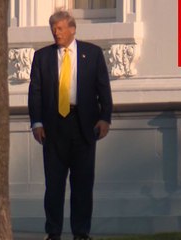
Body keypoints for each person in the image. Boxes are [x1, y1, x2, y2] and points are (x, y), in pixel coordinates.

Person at [28, 10, 113, 240]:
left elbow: (103, 88)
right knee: (54, 183)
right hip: (54, 126)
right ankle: (53, 231)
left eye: (60, 28)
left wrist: (105, 117)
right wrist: (36, 122)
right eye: (53, 29)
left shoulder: (92, 54)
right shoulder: (43, 57)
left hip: (83, 125)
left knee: (82, 183)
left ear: (72, 29)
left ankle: (81, 232)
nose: (56, 33)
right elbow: (35, 92)